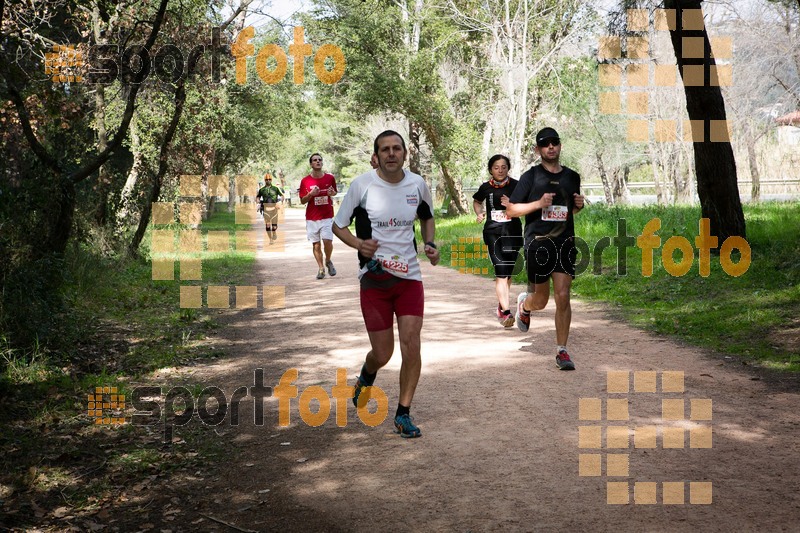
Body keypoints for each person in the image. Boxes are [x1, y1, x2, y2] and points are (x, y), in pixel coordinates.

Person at [332, 130, 440, 438]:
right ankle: (367, 376)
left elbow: (427, 217)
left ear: (405, 154)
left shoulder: (417, 184)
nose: (391, 153)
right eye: (385, 149)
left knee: (411, 343)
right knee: (383, 354)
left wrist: (430, 243)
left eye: (397, 148)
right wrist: (358, 244)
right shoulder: (362, 185)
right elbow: (338, 225)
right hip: (375, 281)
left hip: (409, 278)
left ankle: (403, 413)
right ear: (376, 156)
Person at [504, 127, 585, 370]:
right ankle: (524, 306)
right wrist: (538, 203)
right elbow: (511, 210)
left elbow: (567, 211)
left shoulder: (572, 177)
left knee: (563, 294)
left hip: (564, 242)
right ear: (538, 149)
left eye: (555, 142)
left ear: (560, 146)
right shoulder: (531, 177)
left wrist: (578, 206)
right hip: (538, 243)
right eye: (545, 144)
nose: (551, 147)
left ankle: (562, 350)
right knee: (541, 300)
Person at [472, 154, 524, 327]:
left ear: (508, 168)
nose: (500, 170)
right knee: (501, 272)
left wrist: (512, 204)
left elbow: (526, 207)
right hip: (493, 232)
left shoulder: (517, 186)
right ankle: (507, 312)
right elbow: (477, 201)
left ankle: (502, 305)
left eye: (503, 167)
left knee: (508, 273)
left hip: (513, 232)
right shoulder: (485, 187)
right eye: (496, 167)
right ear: (490, 170)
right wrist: (479, 212)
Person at [299, 153, 338, 279]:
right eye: (315, 160)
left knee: (327, 241)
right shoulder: (305, 181)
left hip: (327, 216)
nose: (318, 162)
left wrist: (333, 193)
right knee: (316, 245)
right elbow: (302, 201)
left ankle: (328, 260)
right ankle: (321, 268)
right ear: (311, 164)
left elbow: (334, 192)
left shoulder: (329, 178)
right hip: (312, 218)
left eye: (320, 160)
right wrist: (310, 194)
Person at [256, 172, 284, 244]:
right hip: (265, 209)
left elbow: (282, 195)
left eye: (269, 179)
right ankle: (270, 239)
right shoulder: (261, 189)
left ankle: (274, 231)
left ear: (271, 180)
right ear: (264, 180)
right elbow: (258, 197)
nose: (268, 180)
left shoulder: (275, 188)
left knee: (274, 226)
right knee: (268, 225)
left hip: (274, 208)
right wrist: (258, 202)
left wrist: (280, 201)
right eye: (266, 179)